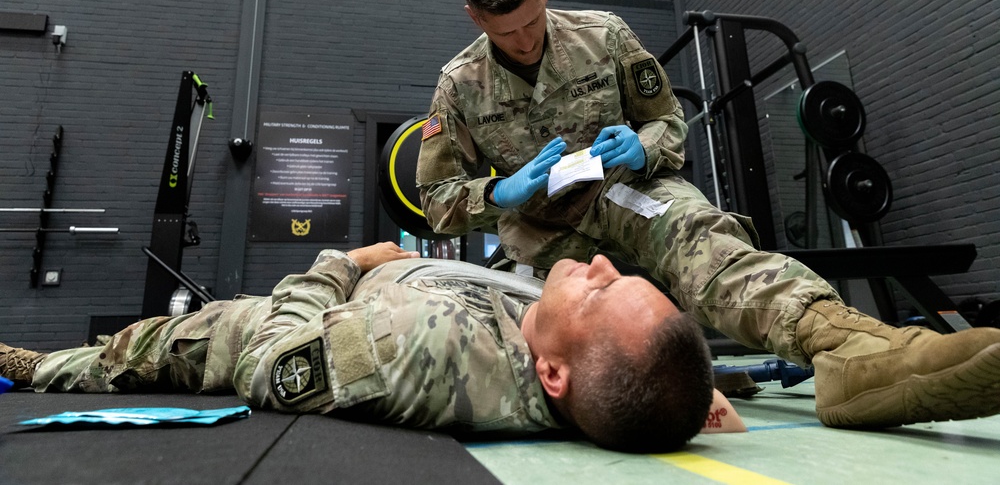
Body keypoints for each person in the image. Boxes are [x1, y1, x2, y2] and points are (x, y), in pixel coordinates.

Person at [415, 0, 1000, 429]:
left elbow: (668, 120)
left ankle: (850, 350)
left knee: (702, 238)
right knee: (510, 328)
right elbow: (437, 201)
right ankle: (673, 384)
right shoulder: (458, 86)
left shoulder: (604, 35)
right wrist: (502, 191)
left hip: (622, 189)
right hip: (538, 229)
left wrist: (643, 146)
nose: (525, 40)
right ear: (475, 18)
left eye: (532, 20)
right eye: (505, 32)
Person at [0, 243, 715, 453]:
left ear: (552, 375)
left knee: (146, 346)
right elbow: (650, 378)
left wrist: (337, 261)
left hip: (271, 318)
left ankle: (38, 369)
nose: (596, 263)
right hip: (400, 281)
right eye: (617, 274)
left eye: (598, 291)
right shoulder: (595, 360)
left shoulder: (420, 349)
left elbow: (269, 360)